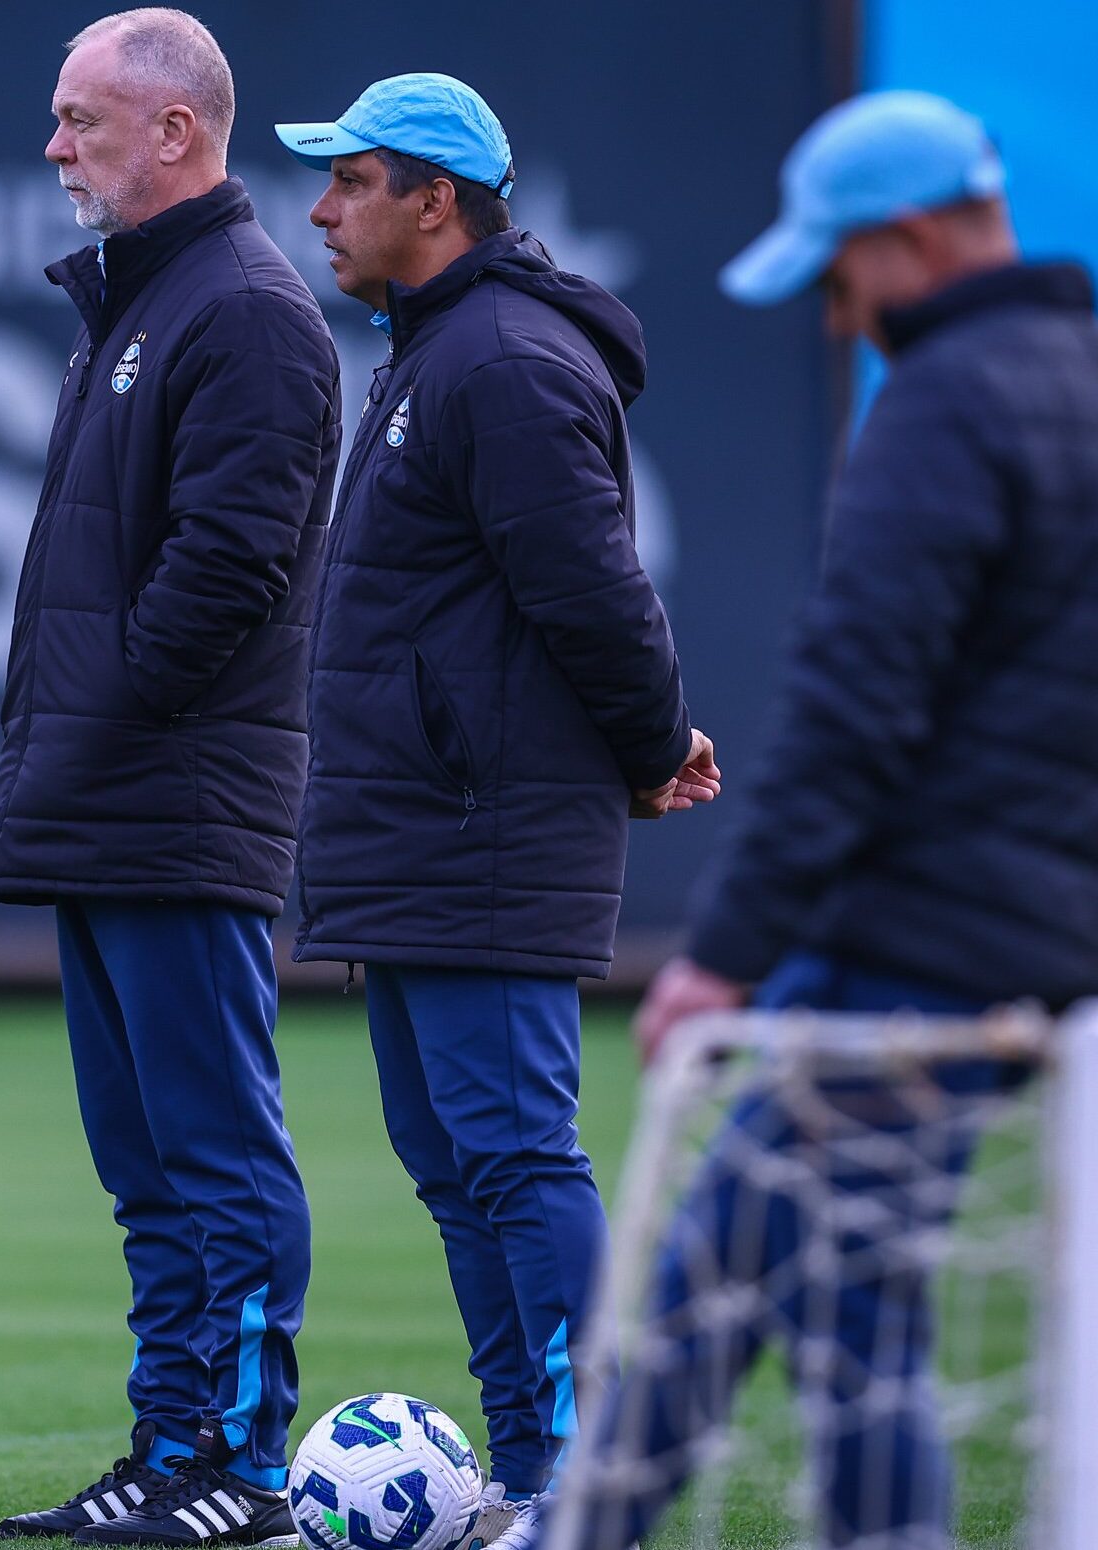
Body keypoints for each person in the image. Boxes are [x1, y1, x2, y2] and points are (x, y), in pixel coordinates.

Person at [584, 91, 1098, 1549]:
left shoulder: (945, 400)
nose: (835, 313)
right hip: (1045, 939)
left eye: (837, 274)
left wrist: (724, 956)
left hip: (911, 938)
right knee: (853, 1307)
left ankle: (590, 1533)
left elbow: (850, 709)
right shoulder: (1082, 378)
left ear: (914, 238)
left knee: (702, 1281)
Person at [273, 73, 717, 1544]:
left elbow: (597, 590)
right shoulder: (435, 350)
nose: (324, 208)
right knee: (459, 1167)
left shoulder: (506, 360)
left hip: (485, 827)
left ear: (435, 200)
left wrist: (654, 742)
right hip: (421, 828)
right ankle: (529, 1474)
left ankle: (592, 1485)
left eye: (352, 181)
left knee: (517, 1157)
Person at [0, 11, 340, 1545]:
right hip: (111, 797)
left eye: (79, 118)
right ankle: (172, 1443)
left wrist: (103, 718)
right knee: (148, 1169)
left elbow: (230, 570)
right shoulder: (146, 304)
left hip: (176, 802)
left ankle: (246, 1471)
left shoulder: (246, 309)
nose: (55, 146)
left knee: (211, 1151)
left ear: (176, 130)